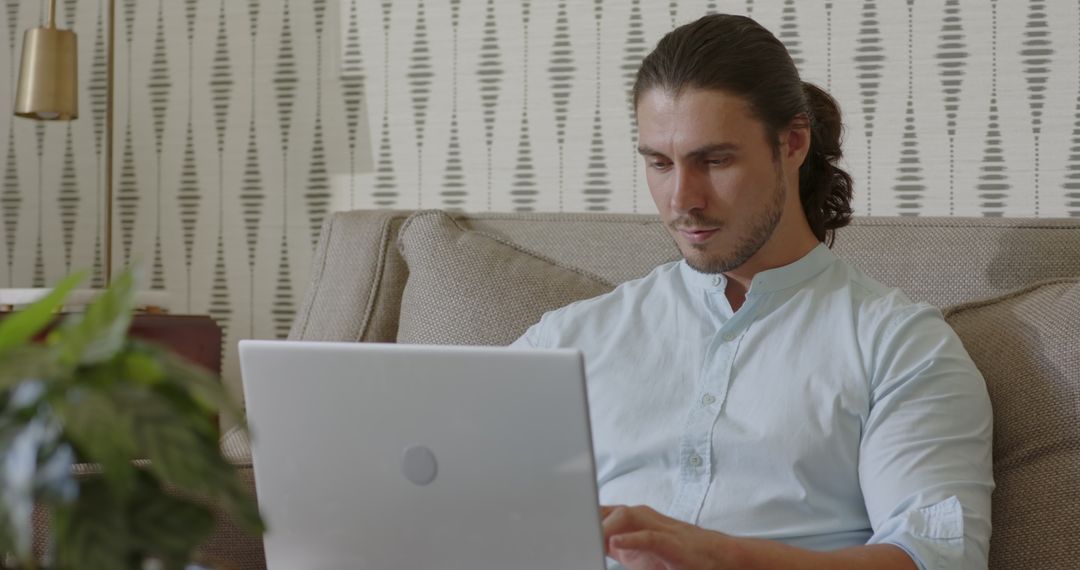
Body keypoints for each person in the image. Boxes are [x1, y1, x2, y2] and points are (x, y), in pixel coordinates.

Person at [510, 13, 993, 570]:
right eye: (660, 164)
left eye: (714, 161)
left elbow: (935, 560)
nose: (681, 199)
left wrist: (720, 556)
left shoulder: (899, 346)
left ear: (791, 143)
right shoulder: (567, 341)